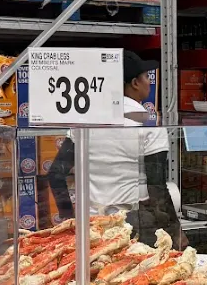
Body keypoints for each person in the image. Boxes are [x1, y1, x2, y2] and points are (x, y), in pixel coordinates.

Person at [46, 51, 183, 242]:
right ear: (134, 83)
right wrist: (175, 230)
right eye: (145, 77)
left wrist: (69, 220)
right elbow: (156, 187)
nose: (149, 82)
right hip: (133, 224)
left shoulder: (86, 120)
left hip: (91, 225)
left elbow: (55, 174)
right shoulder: (148, 124)